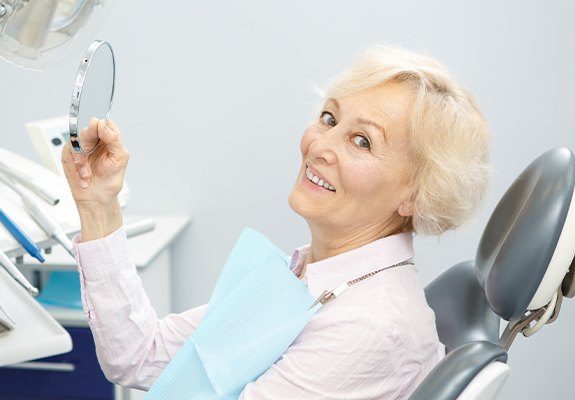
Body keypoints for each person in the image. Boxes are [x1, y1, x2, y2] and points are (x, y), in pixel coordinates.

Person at [61, 45, 490, 399]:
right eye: (329, 118)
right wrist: (99, 204)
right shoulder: (308, 277)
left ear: (416, 194)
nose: (321, 146)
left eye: (362, 141)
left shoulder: (369, 327)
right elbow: (139, 355)